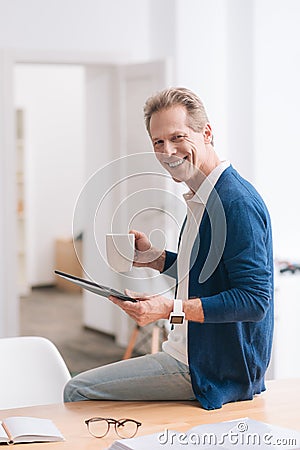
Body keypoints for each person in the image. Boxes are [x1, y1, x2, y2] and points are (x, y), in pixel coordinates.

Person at [64, 87, 274, 410]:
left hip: (209, 371)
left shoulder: (236, 203)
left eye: (177, 137)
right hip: (188, 354)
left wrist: (168, 308)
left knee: (76, 391)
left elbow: (255, 300)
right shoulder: (202, 198)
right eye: (158, 143)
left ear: (206, 133)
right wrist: (154, 258)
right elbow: (207, 274)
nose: (168, 151)